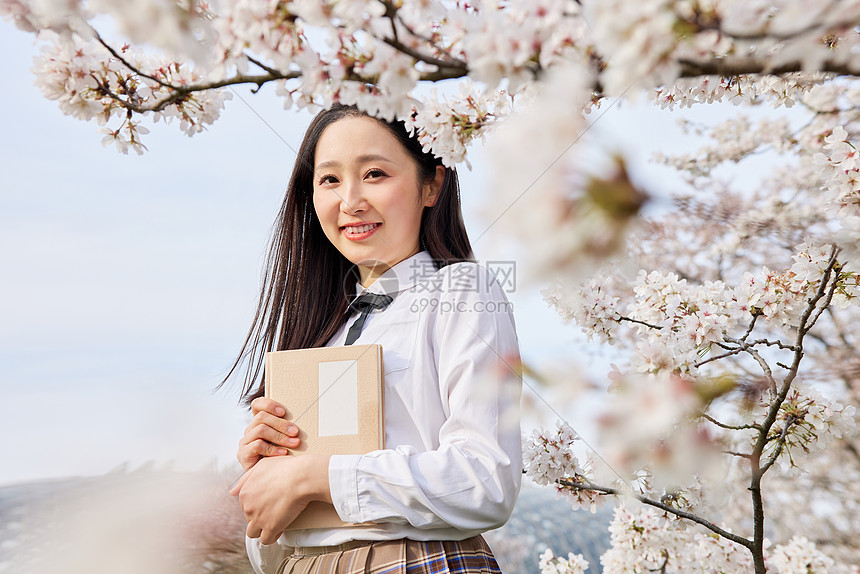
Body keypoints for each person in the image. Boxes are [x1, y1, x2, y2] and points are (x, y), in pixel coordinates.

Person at [224, 103, 522, 574]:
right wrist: (267, 476)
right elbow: (275, 550)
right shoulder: (325, 333)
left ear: (432, 185)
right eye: (329, 180)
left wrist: (316, 475)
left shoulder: (462, 290)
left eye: (375, 173)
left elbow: (486, 482)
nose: (351, 201)